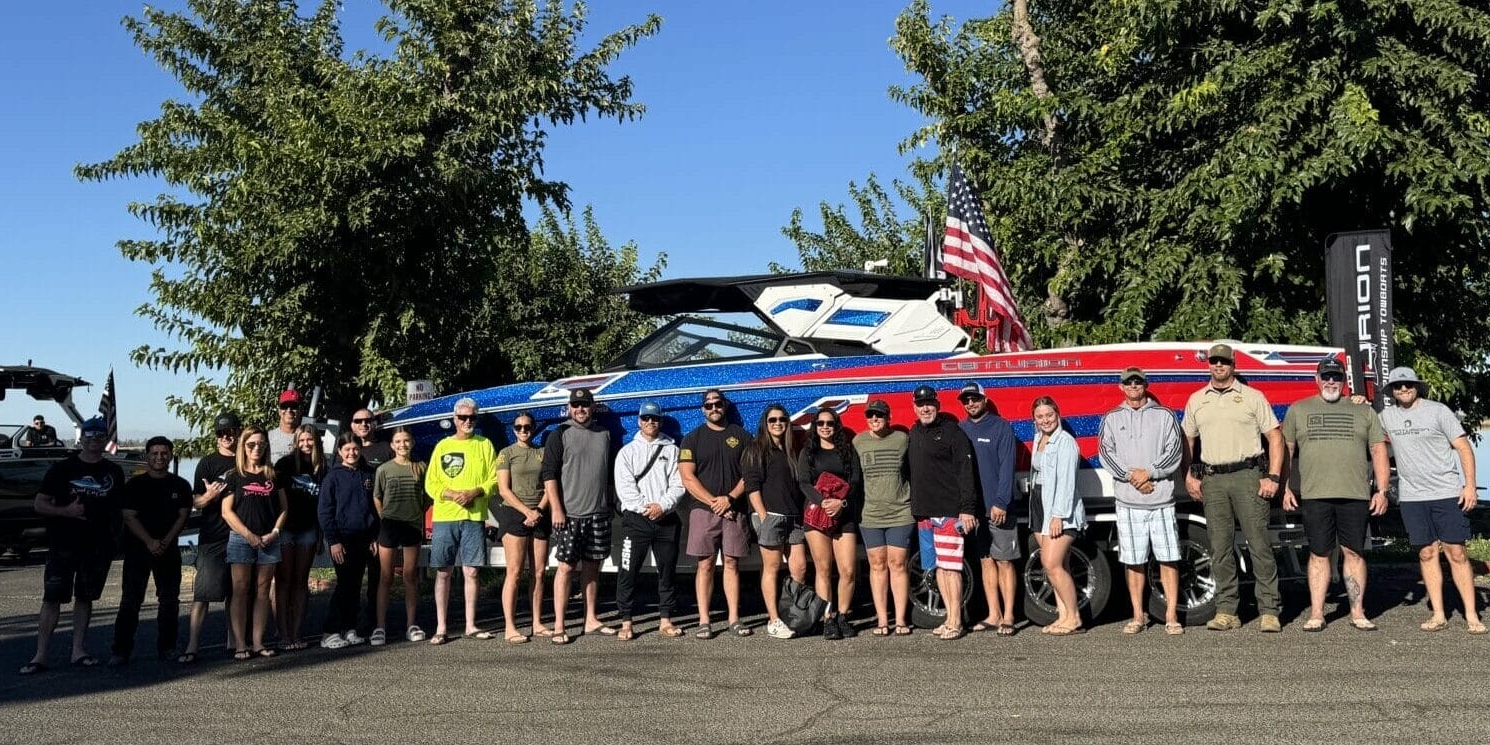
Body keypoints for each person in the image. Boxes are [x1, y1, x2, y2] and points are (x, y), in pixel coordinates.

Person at [1182, 342, 1285, 633]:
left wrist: (1273, 477)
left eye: (1224, 362)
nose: (1218, 366)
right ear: (1208, 365)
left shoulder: (1252, 397)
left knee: (1259, 544)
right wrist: (1189, 475)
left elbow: (1275, 438)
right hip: (1213, 480)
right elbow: (1187, 440)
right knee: (1220, 548)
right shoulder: (1197, 400)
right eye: (1214, 361)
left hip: (1248, 476)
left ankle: (1269, 610)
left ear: (1233, 365)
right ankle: (1227, 610)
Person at [1281, 357, 1390, 632]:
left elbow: (1378, 451)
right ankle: (1317, 613)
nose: (1331, 381)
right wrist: (1284, 487)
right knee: (1319, 553)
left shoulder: (1363, 412)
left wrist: (1382, 490)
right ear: (1317, 379)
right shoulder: (1298, 410)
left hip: (1355, 494)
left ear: (1344, 381)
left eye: (1336, 377)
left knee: (1354, 552)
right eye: (1326, 377)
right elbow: (1286, 452)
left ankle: (1357, 612)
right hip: (1315, 494)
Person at [1376, 367, 1485, 634]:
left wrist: (1469, 486)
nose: (1403, 389)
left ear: (1417, 386)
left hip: (1446, 493)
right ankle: (1438, 614)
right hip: (1413, 496)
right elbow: (1368, 433)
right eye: (1398, 386)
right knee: (1426, 553)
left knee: (1456, 553)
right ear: (1391, 391)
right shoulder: (1385, 417)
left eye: (1408, 384)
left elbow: (1463, 447)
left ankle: (1472, 615)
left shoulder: (1438, 411)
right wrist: (1356, 400)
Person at [19, 417, 124, 674]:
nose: (93, 441)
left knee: (85, 597)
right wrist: (66, 511)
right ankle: (40, 655)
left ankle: (78, 650)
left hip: (97, 545)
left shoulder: (114, 472)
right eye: (89, 436)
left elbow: (121, 509)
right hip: (63, 544)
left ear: (104, 440)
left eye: (99, 437)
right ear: (81, 438)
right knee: (52, 598)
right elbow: (40, 503)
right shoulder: (62, 469)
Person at [1098, 367, 1186, 635]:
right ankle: (1137, 615)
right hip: (1128, 502)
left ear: (1145, 385)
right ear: (1121, 387)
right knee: (1134, 561)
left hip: (1161, 500)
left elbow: (1175, 451)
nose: (1133, 386)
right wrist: (1132, 477)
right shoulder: (1111, 418)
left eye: (1138, 382)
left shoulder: (1165, 415)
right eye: (1129, 382)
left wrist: (1150, 472)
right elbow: (1105, 452)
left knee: (1168, 558)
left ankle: (1171, 616)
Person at [109, 436, 192, 666]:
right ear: (147, 456)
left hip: (168, 550)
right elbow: (128, 515)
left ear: (170, 455)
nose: (159, 457)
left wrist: (165, 540)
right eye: (154, 453)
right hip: (138, 549)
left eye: (164, 453)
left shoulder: (180, 485)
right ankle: (120, 650)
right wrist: (149, 541)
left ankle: (167, 647)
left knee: (169, 601)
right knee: (130, 601)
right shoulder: (135, 485)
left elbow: (183, 515)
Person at [906, 385, 979, 641]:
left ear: (937, 405)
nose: (925, 408)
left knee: (951, 569)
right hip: (924, 515)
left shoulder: (953, 432)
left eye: (930, 404)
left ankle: (957, 621)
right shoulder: (913, 433)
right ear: (914, 407)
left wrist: (967, 509)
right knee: (938, 568)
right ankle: (948, 617)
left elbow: (965, 471)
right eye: (920, 404)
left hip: (949, 512)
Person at [542, 388, 616, 644]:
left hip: (598, 513)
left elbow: (607, 474)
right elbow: (549, 475)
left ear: (592, 407)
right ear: (569, 407)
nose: (580, 409)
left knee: (594, 566)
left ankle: (591, 619)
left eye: (585, 405)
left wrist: (609, 502)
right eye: (576, 405)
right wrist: (557, 509)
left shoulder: (605, 434)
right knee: (565, 568)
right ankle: (560, 625)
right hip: (569, 514)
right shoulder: (559, 434)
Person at [679, 389, 754, 638]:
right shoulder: (692, 439)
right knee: (705, 564)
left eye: (718, 403)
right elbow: (687, 478)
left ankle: (734, 619)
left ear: (725, 406)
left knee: (732, 563)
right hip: (703, 509)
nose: (714, 408)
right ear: (703, 409)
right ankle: (704, 620)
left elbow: (750, 474)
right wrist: (714, 502)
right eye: (709, 405)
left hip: (734, 508)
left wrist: (730, 498)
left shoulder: (742, 436)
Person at [423, 397, 497, 645]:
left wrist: (474, 493)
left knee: (472, 571)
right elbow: (431, 483)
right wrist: (453, 494)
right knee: (443, 572)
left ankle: (470, 625)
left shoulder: (485, 445)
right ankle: (441, 627)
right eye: (463, 417)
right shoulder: (443, 446)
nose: (467, 422)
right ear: (455, 419)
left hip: (473, 516)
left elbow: (494, 479)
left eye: (472, 418)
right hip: (445, 516)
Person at [613, 401, 687, 641]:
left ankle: (665, 619)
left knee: (667, 571)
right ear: (639, 421)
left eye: (654, 419)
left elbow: (679, 483)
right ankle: (626, 621)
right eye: (646, 419)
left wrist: (663, 506)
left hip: (666, 519)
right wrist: (646, 508)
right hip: (636, 520)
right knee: (628, 570)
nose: (650, 423)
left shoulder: (672, 450)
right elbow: (624, 488)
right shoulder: (627, 452)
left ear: (661, 422)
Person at [957, 382, 1020, 636]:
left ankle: (1009, 616)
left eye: (975, 398)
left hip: (998, 508)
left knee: (1005, 561)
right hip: (975, 510)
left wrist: (1002, 501)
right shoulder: (960, 430)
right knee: (985, 561)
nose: (970, 403)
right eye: (966, 400)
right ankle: (993, 614)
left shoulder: (1000, 426)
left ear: (985, 399)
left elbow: (1008, 466)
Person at [179, 412, 242, 664]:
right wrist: (208, 497)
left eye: (230, 431)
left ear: (238, 431)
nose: (227, 436)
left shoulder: (246, 461)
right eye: (221, 433)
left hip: (241, 536)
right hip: (212, 536)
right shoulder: (206, 463)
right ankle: (192, 645)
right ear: (216, 436)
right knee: (203, 594)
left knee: (236, 593)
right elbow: (195, 501)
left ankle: (234, 641)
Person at [222, 425, 288, 659]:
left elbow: (283, 508)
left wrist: (275, 531)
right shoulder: (234, 476)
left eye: (261, 444)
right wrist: (248, 535)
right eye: (251, 444)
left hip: (269, 539)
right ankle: (241, 644)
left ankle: (259, 642)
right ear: (244, 446)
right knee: (240, 590)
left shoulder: (273, 475)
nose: (256, 448)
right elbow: (227, 511)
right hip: (241, 540)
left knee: (262, 591)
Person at [743, 404, 808, 640]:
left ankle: (792, 614)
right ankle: (774, 619)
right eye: (772, 420)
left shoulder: (791, 450)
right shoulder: (756, 449)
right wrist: (763, 517)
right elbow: (752, 487)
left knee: (799, 567)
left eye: (782, 419)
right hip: (771, 517)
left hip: (794, 518)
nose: (778, 423)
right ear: (765, 423)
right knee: (772, 568)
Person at [798, 407, 863, 640]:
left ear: (837, 426)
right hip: (817, 515)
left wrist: (841, 503)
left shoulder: (847, 450)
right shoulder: (808, 452)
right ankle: (828, 617)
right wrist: (825, 502)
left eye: (830, 423)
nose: (825, 427)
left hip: (844, 515)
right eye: (821, 423)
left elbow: (855, 482)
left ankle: (843, 616)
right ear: (815, 427)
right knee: (823, 569)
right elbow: (804, 483)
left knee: (847, 570)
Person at [854, 398, 914, 637]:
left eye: (879, 415)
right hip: (871, 515)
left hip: (901, 512)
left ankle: (900, 620)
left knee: (898, 564)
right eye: (870, 415)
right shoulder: (858, 441)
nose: (874, 419)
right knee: (877, 565)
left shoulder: (901, 439)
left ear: (888, 417)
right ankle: (882, 620)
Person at [1030, 396, 1088, 634]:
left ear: (1058, 414)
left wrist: (1058, 516)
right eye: (1040, 417)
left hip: (1059, 510)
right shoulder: (1039, 439)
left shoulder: (1065, 442)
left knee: (1051, 563)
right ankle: (1062, 615)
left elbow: (1066, 482)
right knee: (1057, 565)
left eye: (1049, 415)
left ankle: (1074, 618)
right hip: (1039, 504)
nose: (1045, 420)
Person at [320, 433, 382, 648]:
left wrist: (374, 535)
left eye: (355, 448)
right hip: (342, 539)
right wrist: (333, 541)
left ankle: (349, 628)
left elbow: (375, 507)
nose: (351, 452)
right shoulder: (332, 477)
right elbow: (325, 512)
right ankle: (329, 631)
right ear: (339, 452)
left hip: (365, 538)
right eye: (347, 449)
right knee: (344, 585)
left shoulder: (368, 474)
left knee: (355, 586)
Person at [496, 413, 553, 642]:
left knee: (539, 573)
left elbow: (550, 485)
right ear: (513, 429)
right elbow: (503, 490)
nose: (523, 430)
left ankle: (537, 623)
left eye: (527, 427)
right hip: (515, 514)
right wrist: (526, 512)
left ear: (534, 428)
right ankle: (510, 627)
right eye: (519, 427)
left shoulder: (542, 452)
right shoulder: (506, 453)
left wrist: (538, 510)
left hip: (540, 513)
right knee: (515, 572)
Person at [272, 424, 324, 650]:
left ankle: (297, 632)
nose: (306, 444)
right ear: (296, 442)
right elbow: (275, 499)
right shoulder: (284, 465)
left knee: (301, 582)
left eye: (309, 440)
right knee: (284, 581)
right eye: (302, 440)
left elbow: (324, 505)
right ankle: (283, 633)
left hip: (308, 529)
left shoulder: (322, 468)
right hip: (286, 529)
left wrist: (322, 533)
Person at [375, 428, 430, 643]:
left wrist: (417, 512)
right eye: (398, 441)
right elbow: (377, 496)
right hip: (389, 525)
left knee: (409, 575)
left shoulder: (421, 467)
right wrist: (384, 517)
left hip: (412, 525)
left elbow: (428, 496)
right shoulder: (384, 469)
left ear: (412, 442)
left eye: (406, 441)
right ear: (392, 445)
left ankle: (411, 624)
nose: (402, 445)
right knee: (386, 576)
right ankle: (380, 627)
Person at [267, 389, 303, 462]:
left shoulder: (307, 439)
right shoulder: (268, 438)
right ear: (279, 411)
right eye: (284, 406)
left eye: (294, 406)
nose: (289, 410)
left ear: (301, 410)